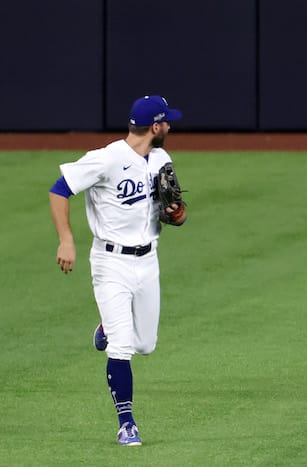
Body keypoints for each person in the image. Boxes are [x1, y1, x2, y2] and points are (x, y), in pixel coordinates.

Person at [49, 95, 188, 444]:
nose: (170, 126)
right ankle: (127, 423)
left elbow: (172, 208)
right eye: (166, 121)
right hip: (110, 263)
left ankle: (107, 327)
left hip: (148, 261)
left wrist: (177, 214)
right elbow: (59, 190)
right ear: (154, 127)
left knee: (146, 344)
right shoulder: (107, 159)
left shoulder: (161, 159)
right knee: (123, 347)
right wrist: (66, 240)